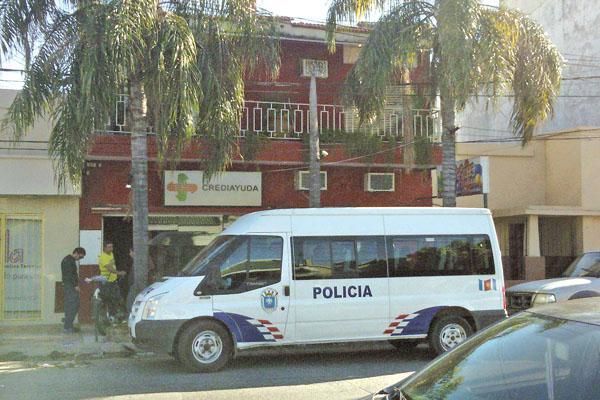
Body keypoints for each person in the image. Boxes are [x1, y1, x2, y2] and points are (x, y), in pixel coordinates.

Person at [61, 247, 86, 334]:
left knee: (71, 305)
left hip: (69, 286)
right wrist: (75, 286)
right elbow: (70, 275)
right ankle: (67, 327)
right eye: (80, 257)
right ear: (76, 253)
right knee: (73, 305)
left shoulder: (68, 260)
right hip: (70, 286)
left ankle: (68, 325)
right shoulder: (69, 261)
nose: (80, 259)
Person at [98, 242, 126, 318]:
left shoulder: (111, 254)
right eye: (109, 247)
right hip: (106, 281)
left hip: (113, 280)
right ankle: (107, 316)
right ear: (104, 248)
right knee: (108, 298)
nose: (111, 249)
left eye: (112, 247)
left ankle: (113, 314)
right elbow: (109, 268)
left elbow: (112, 265)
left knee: (116, 297)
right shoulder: (102, 257)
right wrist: (119, 273)